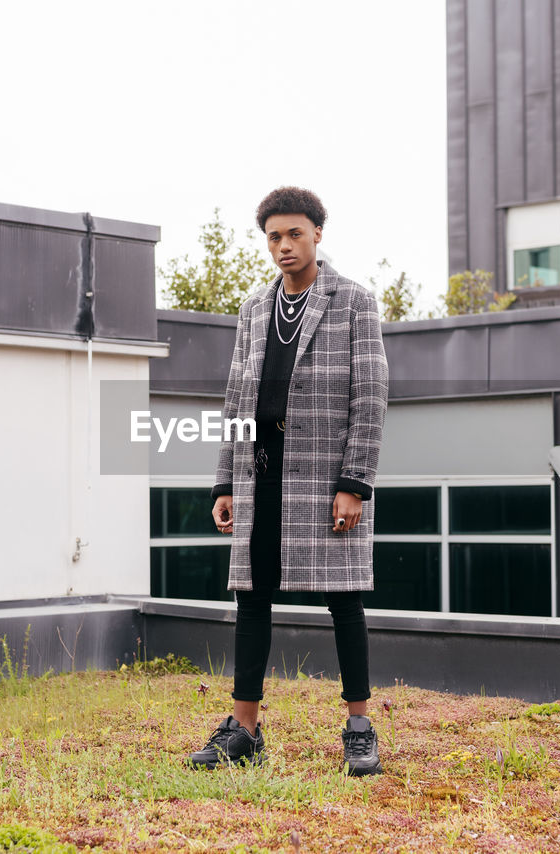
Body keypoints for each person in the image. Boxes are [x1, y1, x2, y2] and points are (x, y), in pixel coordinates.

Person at [187, 186, 389, 776]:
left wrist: (354, 481)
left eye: (294, 233)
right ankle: (244, 730)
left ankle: (358, 726)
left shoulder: (355, 301)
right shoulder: (253, 309)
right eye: (273, 236)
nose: (283, 246)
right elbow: (235, 401)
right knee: (251, 600)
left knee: (344, 600)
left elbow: (371, 398)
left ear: (318, 233)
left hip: (327, 479)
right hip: (261, 476)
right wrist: (225, 482)